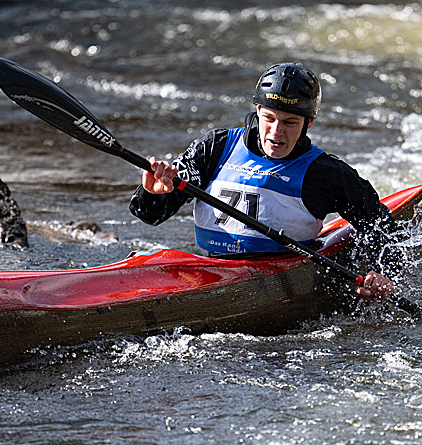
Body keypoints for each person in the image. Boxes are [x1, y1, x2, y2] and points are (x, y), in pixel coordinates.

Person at [129, 62, 395, 302]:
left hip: (284, 281)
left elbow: (383, 226)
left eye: (290, 122)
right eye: (269, 118)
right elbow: (149, 215)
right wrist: (152, 193)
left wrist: (383, 274)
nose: (276, 132)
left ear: (309, 123)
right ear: (258, 111)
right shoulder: (215, 148)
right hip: (212, 271)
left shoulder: (325, 173)